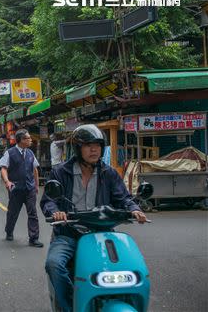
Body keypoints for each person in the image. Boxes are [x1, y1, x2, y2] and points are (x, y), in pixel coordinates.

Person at [40, 124, 148, 312]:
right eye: (88, 145)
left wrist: (134, 209)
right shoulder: (61, 172)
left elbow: (123, 198)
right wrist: (55, 212)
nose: (94, 149)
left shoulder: (109, 173)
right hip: (69, 234)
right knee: (54, 264)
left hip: (102, 233)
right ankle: (69, 306)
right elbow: (49, 201)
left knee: (129, 269)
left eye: (97, 145)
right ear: (77, 148)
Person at [0, 129, 43, 247]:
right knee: (13, 213)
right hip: (16, 189)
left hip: (30, 188)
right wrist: (7, 181)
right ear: (21, 140)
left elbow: (35, 170)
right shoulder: (10, 153)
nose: (30, 140)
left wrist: (36, 185)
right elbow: (3, 168)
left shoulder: (30, 153)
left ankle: (34, 238)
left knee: (33, 213)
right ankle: (9, 231)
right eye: (28, 138)